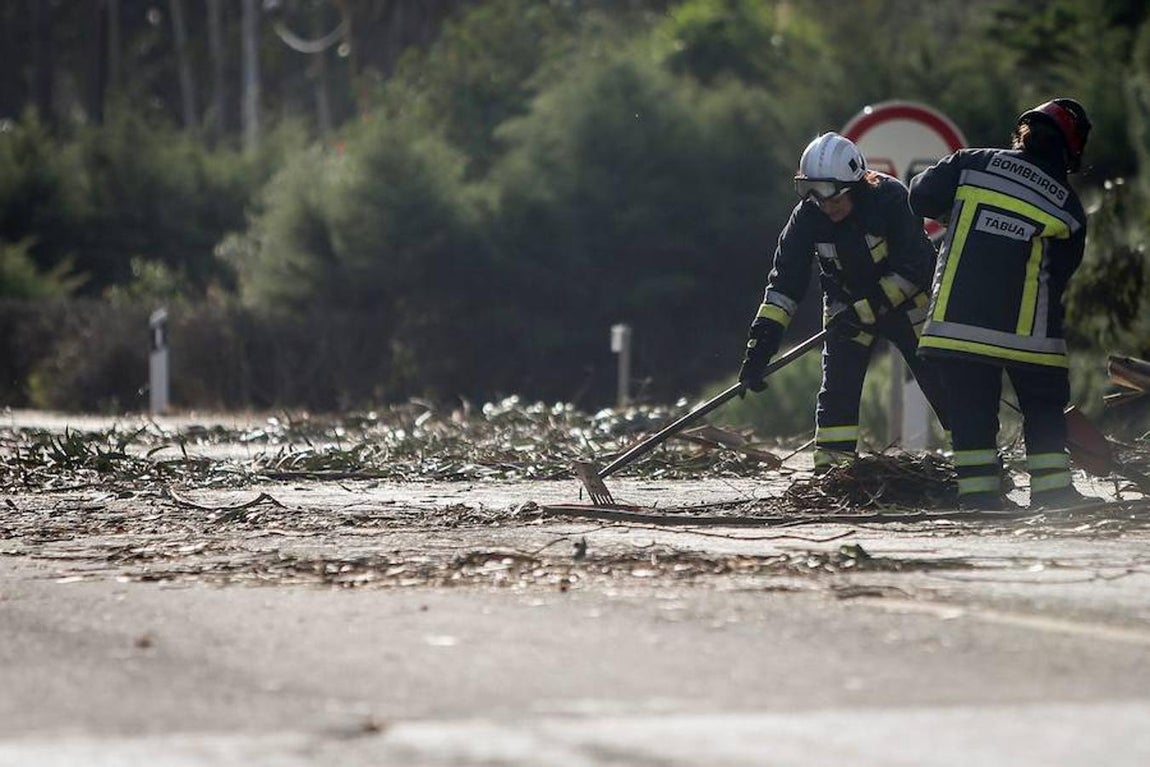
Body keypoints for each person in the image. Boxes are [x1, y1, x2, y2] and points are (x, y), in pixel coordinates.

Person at [908, 98, 1095, 510]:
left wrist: (957, 212)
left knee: (972, 413)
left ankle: (979, 497)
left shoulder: (970, 163)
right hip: (1029, 335)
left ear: (1022, 133)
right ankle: (1053, 493)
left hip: (955, 327)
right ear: (1071, 150)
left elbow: (918, 196)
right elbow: (1061, 274)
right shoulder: (1068, 206)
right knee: (1044, 408)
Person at [738, 132, 950, 473]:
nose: (828, 208)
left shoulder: (891, 199)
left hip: (910, 306)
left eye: (835, 199)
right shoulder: (808, 216)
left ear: (857, 185)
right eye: (819, 200)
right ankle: (832, 475)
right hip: (845, 309)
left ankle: (978, 466)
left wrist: (865, 310)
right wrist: (761, 345)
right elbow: (784, 284)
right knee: (837, 393)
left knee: (944, 384)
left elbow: (916, 266)